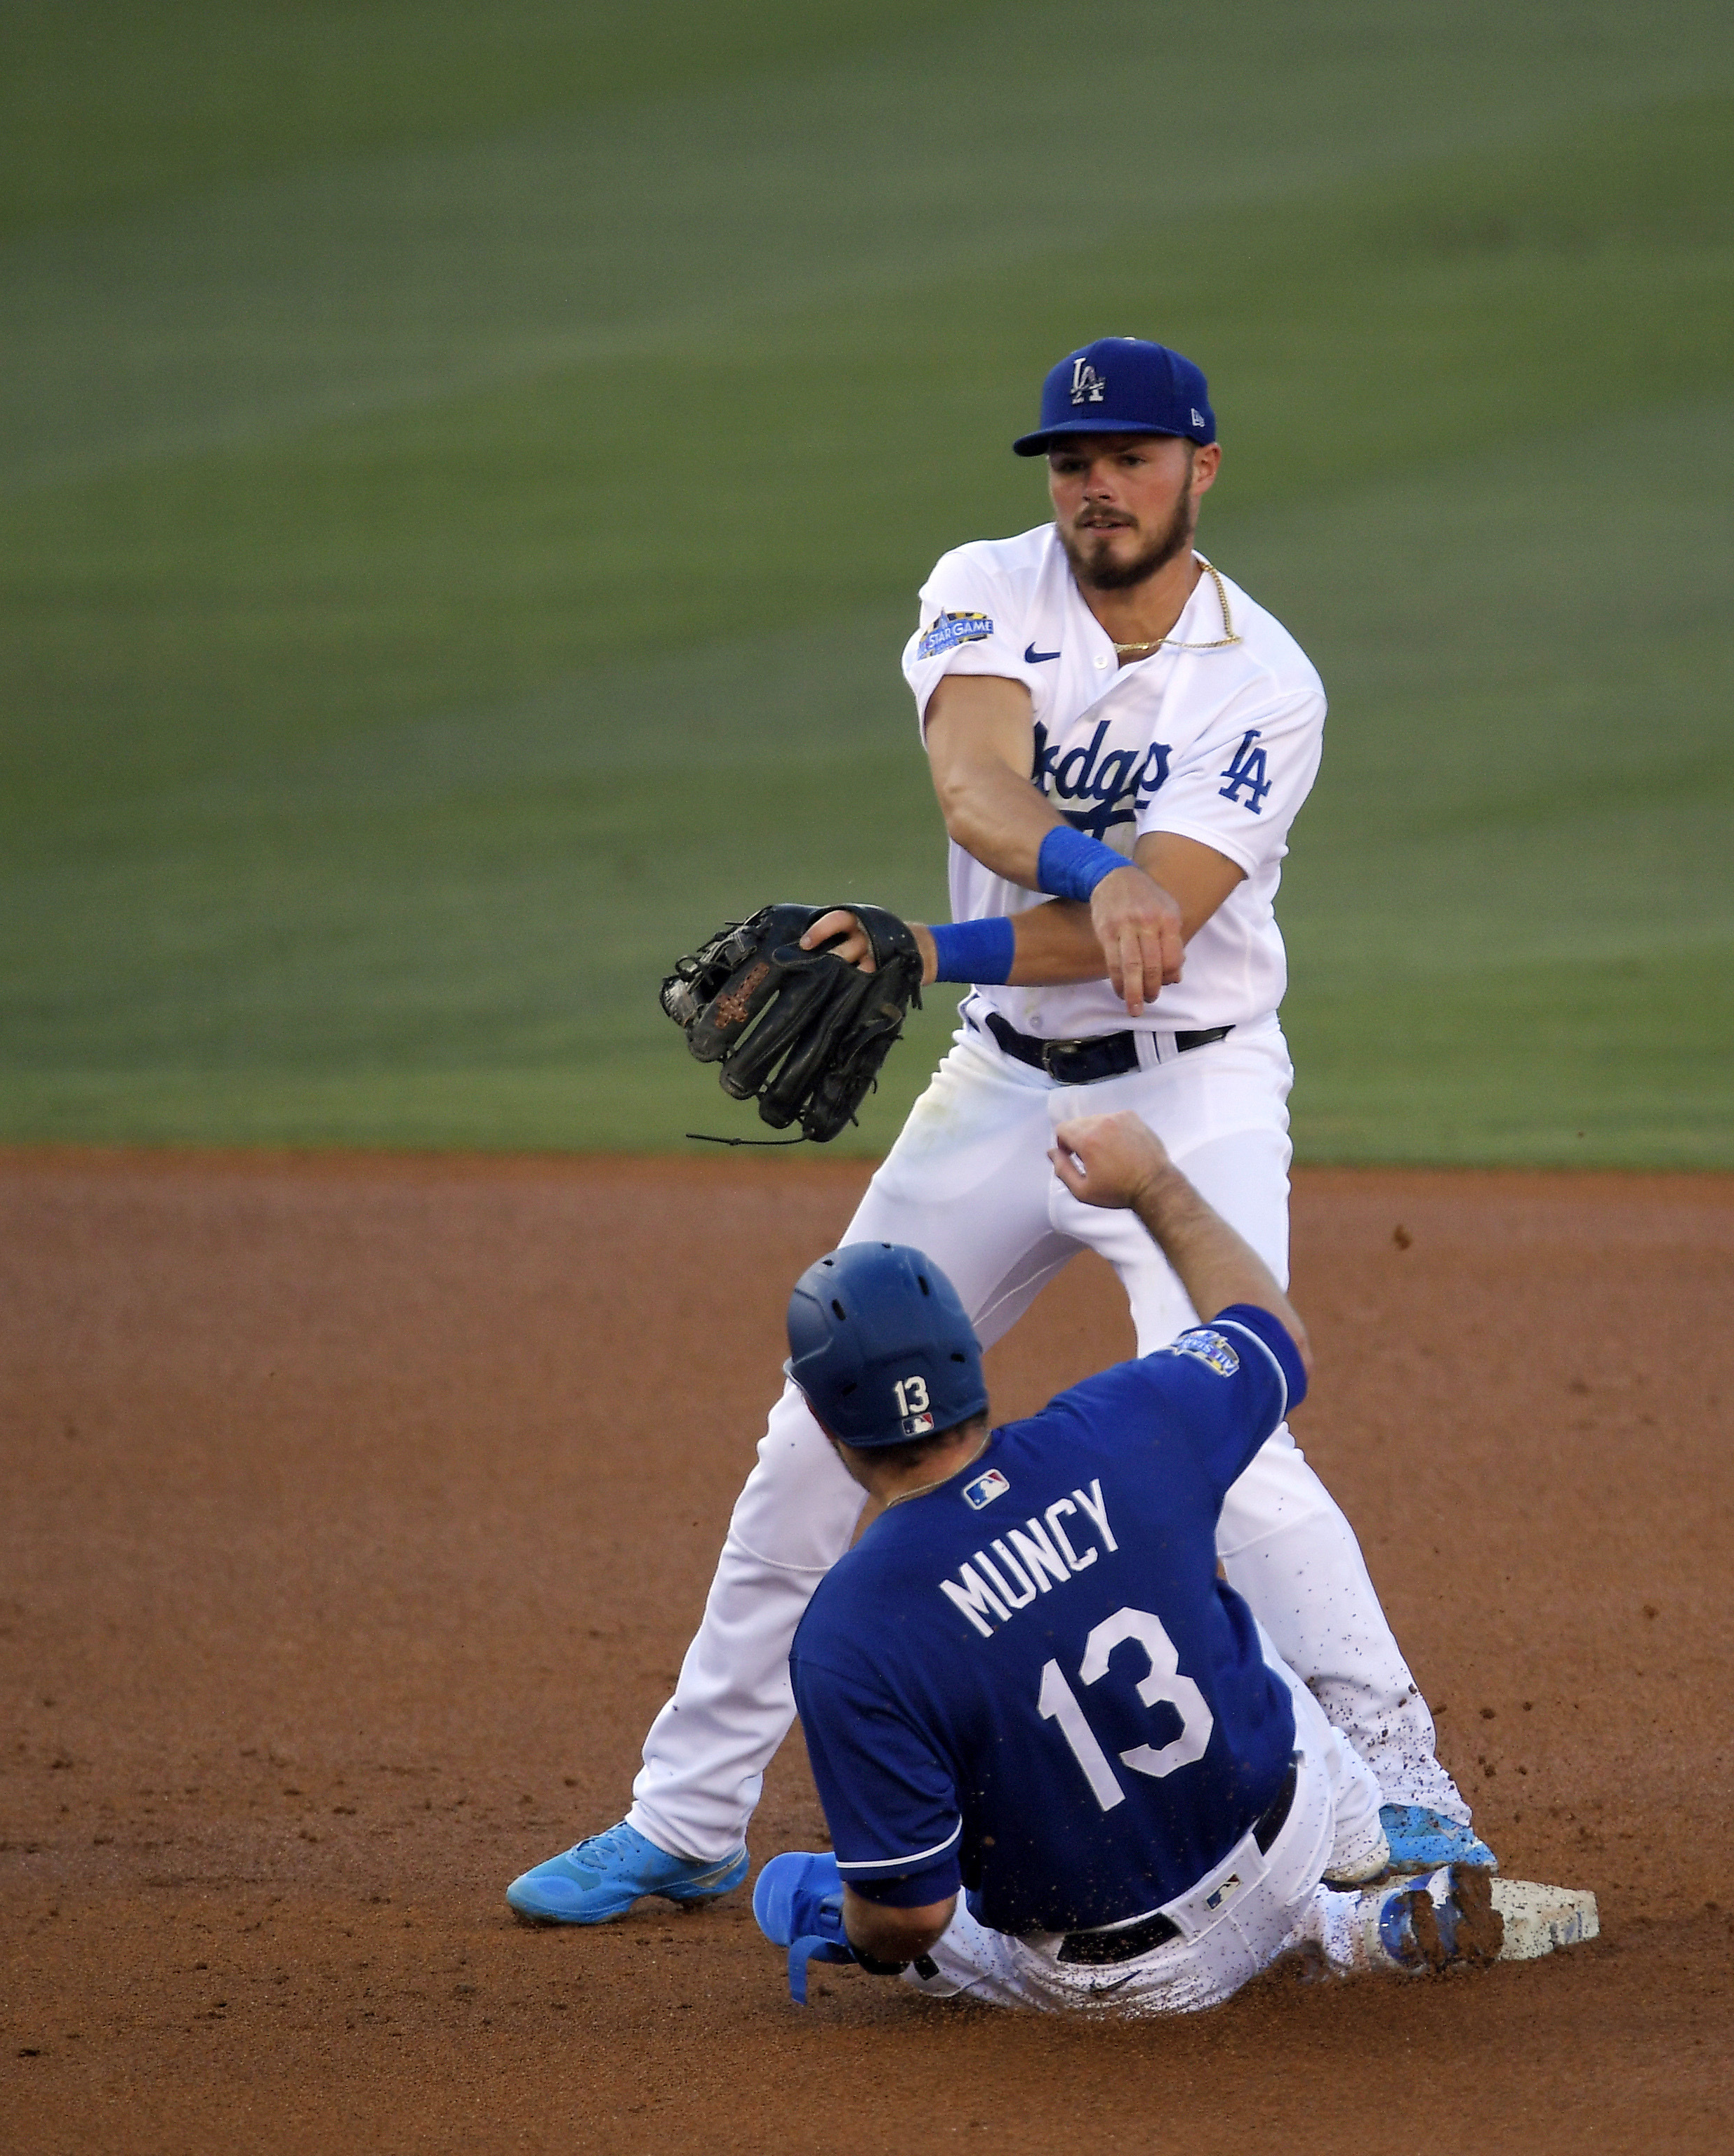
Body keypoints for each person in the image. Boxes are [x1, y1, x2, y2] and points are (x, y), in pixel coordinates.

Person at [510, 336, 1485, 1924]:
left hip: (1194, 1082)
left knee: (1243, 1450)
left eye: (1131, 457)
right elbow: (976, 785)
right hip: (1002, 1082)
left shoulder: (1267, 679)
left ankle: (1415, 1790)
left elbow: (1161, 921)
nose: (1095, 486)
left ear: (1203, 468)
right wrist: (1074, 883)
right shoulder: (986, 584)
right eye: (1071, 460)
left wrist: (935, 939)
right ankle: (685, 1818)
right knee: (805, 1445)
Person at [755, 1112, 1501, 2013]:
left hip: (1131, 1976)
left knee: (883, 1897)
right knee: (1224, 1607)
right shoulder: (1130, 1419)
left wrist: (865, 1924)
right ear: (969, 1360)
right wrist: (1153, 1184)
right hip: (1299, 1828)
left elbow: (911, 1917)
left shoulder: (848, 1632)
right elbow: (1271, 1334)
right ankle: (1348, 1913)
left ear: (828, 1425)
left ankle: (1340, 1933)